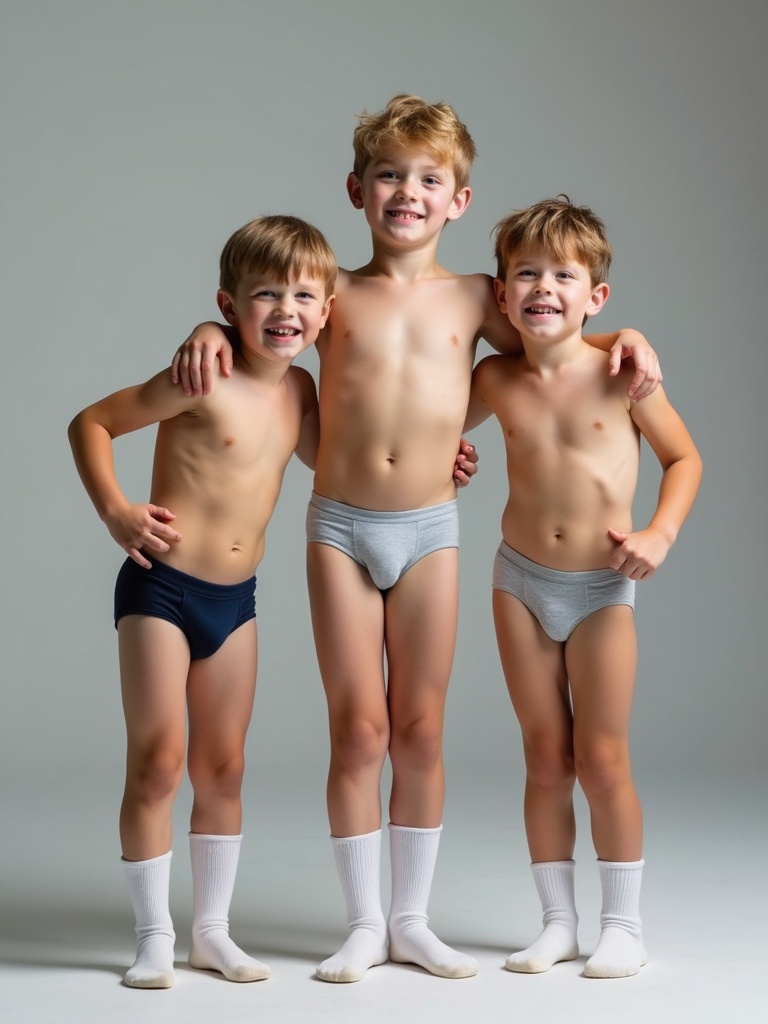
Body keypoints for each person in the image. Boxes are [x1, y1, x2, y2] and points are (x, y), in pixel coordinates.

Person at [171, 96, 662, 983]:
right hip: (340, 525)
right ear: (357, 190)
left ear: (459, 202)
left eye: (430, 179)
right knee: (358, 731)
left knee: (421, 730)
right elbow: (260, 335)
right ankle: (364, 923)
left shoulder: (481, 294)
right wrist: (209, 328)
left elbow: (564, 343)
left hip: (431, 526)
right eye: (390, 176)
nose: (408, 192)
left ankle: (411, 919)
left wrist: (631, 336)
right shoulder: (334, 292)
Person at [68, 215, 336, 989]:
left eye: (303, 297)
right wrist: (116, 510)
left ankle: (212, 933)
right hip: (162, 588)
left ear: (324, 316)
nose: (284, 310)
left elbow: (335, 460)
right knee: (158, 762)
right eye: (264, 295)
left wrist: (438, 457)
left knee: (224, 768)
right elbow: (92, 422)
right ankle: (155, 935)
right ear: (228, 303)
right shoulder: (202, 374)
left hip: (237, 601)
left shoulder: (305, 390)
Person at [464, 196, 702, 978]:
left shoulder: (621, 370)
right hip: (518, 583)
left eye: (564, 275)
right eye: (525, 273)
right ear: (501, 294)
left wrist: (658, 534)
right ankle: (557, 922)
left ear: (595, 296)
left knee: (601, 759)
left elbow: (684, 459)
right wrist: (446, 461)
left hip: (601, 587)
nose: (544, 287)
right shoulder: (494, 377)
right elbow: (429, 426)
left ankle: (622, 925)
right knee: (543, 758)